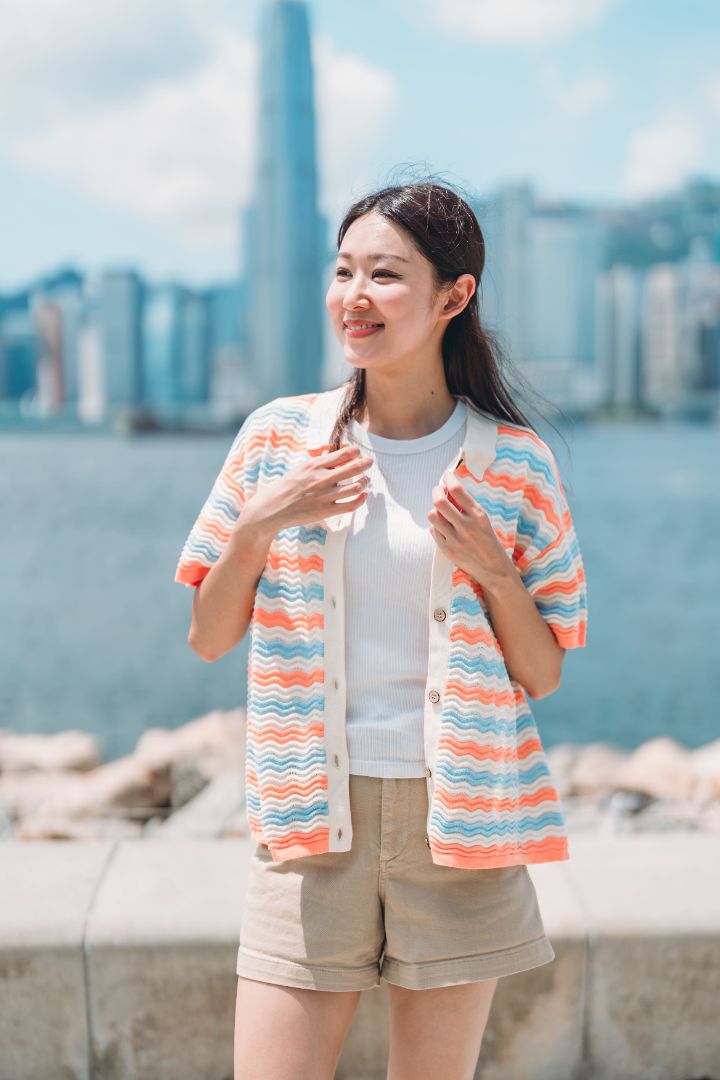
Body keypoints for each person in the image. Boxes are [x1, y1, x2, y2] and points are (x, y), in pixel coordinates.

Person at [174, 179, 588, 1080]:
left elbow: (545, 672)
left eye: (387, 275)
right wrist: (259, 526)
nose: (354, 296)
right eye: (344, 270)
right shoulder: (276, 442)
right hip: (311, 823)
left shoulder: (515, 466)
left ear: (455, 296)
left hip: (462, 829)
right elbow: (208, 636)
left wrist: (491, 567)